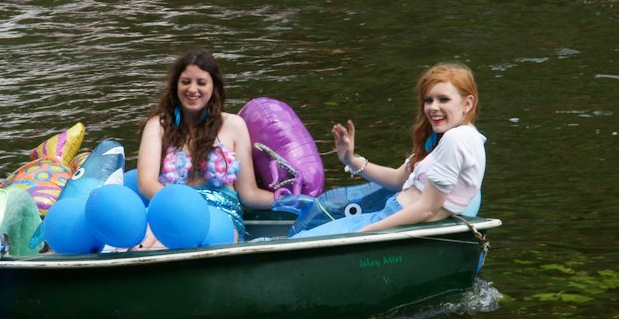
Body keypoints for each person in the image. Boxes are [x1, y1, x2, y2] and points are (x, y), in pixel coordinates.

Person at [293, 61, 485, 237]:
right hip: (390, 216)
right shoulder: (459, 138)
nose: (433, 107)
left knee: (298, 240)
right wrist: (351, 160)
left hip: (393, 221)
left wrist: (366, 232)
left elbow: (429, 209)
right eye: (429, 100)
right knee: (300, 238)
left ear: (468, 103)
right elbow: (397, 180)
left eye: (443, 99)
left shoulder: (456, 139)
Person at [137, 49, 276, 244]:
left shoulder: (234, 125)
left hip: (220, 217)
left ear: (214, 87)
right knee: (139, 248)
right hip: (170, 209)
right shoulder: (158, 126)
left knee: (176, 243)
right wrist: (182, 208)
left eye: (201, 83)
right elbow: (146, 183)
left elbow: (249, 193)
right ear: (176, 85)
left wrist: (285, 199)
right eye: (186, 82)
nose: (192, 89)